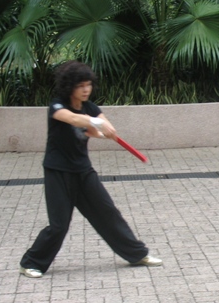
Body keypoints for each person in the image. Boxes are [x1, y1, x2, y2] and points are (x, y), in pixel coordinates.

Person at [19, 61, 162, 278]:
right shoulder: (58, 106)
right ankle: (31, 263)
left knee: (108, 213)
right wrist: (95, 123)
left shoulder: (91, 108)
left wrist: (106, 131)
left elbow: (101, 127)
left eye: (88, 85)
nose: (86, 90)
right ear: (70, 87)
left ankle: (137, 254)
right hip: (58, 172)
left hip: (83, 172)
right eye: (80, 85)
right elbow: (73, 119)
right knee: (59, 225)